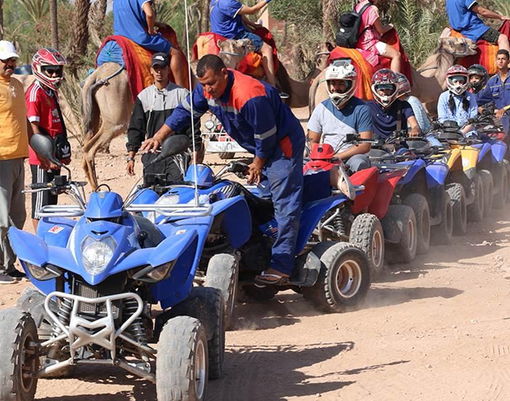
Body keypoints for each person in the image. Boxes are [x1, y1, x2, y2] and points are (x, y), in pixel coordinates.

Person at [141, 55, 305, 285]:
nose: (208, 89)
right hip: (258, 144)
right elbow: (183, 113)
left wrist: (258, 163)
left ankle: (282, 266)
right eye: (203, 85)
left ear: (224, 74)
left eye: (212, 83)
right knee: (260, 200)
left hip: (281, 145)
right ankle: (260, 251)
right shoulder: (206, 91)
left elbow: (266, 137)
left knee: (284, 203)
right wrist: (159, 136)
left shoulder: (249, 95)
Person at [0, 41, 49, 283]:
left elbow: (24, 122)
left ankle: (10, 265)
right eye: (5, 61)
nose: (10, 65)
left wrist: (37, 149)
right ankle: (0, 267)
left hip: (18, 157)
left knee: (17, 216)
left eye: (12, 61)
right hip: (1, 158)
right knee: (1, 216)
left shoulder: (18, 85)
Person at [126, 52, 199, 182]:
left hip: (177, 156)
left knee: (176, 194)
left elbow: (193, 128)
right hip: (152, 155)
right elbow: (136, 129)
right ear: (151, 71)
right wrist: (131, 157)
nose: (160, 72)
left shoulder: (182, 95)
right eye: (156, 68)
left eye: (163, 68)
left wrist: (195, 153)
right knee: (152, 193)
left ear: (168, 69)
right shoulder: (143, 97)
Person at [112, 0, 188, 88]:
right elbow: (149, 14)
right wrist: (151, 29)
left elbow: (130, 16)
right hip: (139, 37)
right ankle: (181, 91)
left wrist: (158, 23)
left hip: (119, 37)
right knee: (175, 53)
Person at [26, 48, 70, 229]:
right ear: (39, 69)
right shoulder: (35, 92)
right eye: (49, 70)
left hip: (53, 154)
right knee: (41, 205)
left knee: (52, 202)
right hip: (42, 158)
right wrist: (44, 156)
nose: (54, 75)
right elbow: (33, 127)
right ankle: (40, 244)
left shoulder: (51, 92)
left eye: (57, 71)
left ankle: (49, 240)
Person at [307, 60, 374, 172]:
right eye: (333, 83)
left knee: (360, 164)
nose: (335, 88)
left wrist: (338, 156)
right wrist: (323, 155)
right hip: (324, 158)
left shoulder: (362, 109)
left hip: (351, 157)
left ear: (351, 84)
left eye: (341, 83)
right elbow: (312, 141)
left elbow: (365, 145)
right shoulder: (321, 108)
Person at [477, 50, 510, 192]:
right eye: (498, 59)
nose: (500, 61)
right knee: (507, 152)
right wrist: (477, 107)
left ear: (508, 61)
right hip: (502, 122)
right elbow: (479, 98)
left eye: (503, 59)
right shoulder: (492, 81)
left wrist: (504, 109)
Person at [210, 0, 277, 85]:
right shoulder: (228, 3)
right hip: (235, 34)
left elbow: (237, 13)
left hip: (221, 32)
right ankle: (273, 85)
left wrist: (251, 24)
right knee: (268, 49)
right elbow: (252, 10)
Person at [446, 0, 510, 56]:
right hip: (474, 29)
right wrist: (500, 17)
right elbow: (482, 11)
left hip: (457, 30)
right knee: (502, 38)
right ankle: (509, 67)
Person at [355, 0, 402, 74]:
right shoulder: (372, 9)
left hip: (357, 43)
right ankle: (395, 81)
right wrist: (390, 26)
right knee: (396, 55)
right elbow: (381, 29)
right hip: (368, 44)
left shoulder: (357, 7)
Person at [366, 69, 421, 141]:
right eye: (381, 89)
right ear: (375, 89)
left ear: (395, 89)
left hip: (399, 146)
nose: (385, 92)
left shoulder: (404, 106)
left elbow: (415, 125)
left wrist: (415, 130)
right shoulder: (367, 107)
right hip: (375, 148)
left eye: (388, 88)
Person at [437, 65, 479, 135]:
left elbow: (473, 119)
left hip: (467, 132)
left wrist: (461, 133)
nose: (458, 85)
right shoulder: (443, 97)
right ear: (450, 81)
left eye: (461, 81)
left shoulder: (470, 96)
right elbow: (442, 119)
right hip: (448, 132)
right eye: (455, 81)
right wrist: (453, 133)